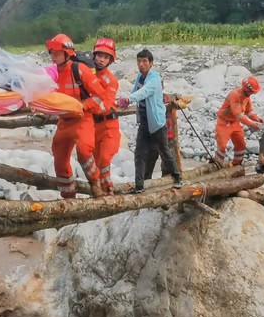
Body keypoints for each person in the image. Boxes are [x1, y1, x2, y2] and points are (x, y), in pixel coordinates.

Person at [46, 33, 108, 199]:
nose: (53, 55)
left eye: (57, 52)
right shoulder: (51, 74)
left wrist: (83, 106)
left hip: (82, 119)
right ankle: (68, 195)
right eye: (51, 52)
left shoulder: (79, 70)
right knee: (59, 157)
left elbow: (99, 94)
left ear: (68, 53)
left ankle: (95, 185)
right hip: (64, 121)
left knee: (84, 152)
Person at [117, 49, 182, 192]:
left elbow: (144, 92)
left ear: (151, 63)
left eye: (144, 61)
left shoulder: (154, 79)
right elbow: (135, 91)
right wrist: (123, 102)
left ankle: (177, 178)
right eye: (139, 61)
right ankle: (139, 186)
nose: (141, 64)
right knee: (139, 153)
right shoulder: (140, 77)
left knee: (164, 151)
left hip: (157, 123)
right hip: (145, 123)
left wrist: (129, 99)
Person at [90, 37, 121, 195]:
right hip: (93, 127)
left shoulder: (111, 81)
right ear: (94, 55)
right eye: (99, 55)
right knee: (94, 162)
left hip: (109, 126)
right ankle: (100, 191)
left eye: (105, 57)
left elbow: (105, 105)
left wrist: (86, 106)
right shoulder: (88, 75)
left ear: (110, 60)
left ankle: (108, 191)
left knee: (104, 159)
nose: (101, 59)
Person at [213, 77, 264, 167]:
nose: (252, 94)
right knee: (222, 145)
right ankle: (217, 165)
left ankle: (236, 165)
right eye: (252, 92)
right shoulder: (234, 94)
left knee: (241, 144)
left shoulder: (246, 97)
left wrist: (256, 118)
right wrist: (251, 124)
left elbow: (249, 110)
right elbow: (238, 114)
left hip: (234, 123)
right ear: (246, 89)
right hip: (224, 123)